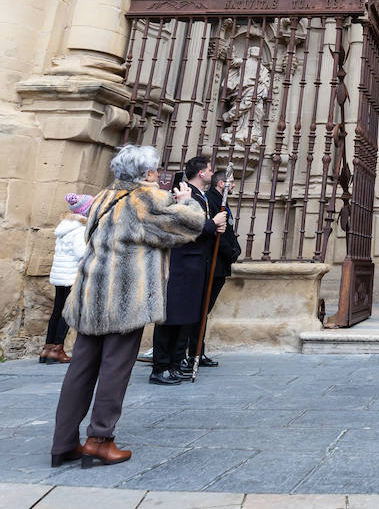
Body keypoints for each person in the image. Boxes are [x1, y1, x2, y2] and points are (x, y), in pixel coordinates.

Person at [50, 145, 206, 468]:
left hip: (91, 295)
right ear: (147, 173)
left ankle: (63, 442)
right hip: (125, 298)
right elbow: (192, 225)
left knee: (80, 368)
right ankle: (99, 440)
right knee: (115, 368)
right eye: (154, 170)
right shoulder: (146, 200)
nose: (157, 175)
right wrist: (185, 200)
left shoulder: (103, 198)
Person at [149, 155, 225, 385]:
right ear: (201, 173)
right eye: (210, 170)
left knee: (185, 316)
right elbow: (184, 226)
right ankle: (161, 366)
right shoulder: (182, 191)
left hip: (195, 264)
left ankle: (174, 363)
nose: (212, 173)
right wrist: (213, 224)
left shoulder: (199, 195)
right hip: (181, 263)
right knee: (171, 315)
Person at [196, 169, 242, 367]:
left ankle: (198, 350)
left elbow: (228, 231)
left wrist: (235, 248)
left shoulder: (220, 201)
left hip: (221, 263)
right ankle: (195, 351)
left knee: (204, 310)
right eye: (231, 182)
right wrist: (231, 252)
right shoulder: (212, 200)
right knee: (201, 309)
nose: (233, 186)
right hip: (215, 262)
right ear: (222, 184)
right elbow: (217, 234)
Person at [40, 193, 92, 365]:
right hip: (71, 276)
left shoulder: (64, 227)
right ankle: (57, 349)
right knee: (67, 312)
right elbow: (80, 253)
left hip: (60, 275)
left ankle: (47, 349)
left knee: (57, 310)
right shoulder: (79, 229)